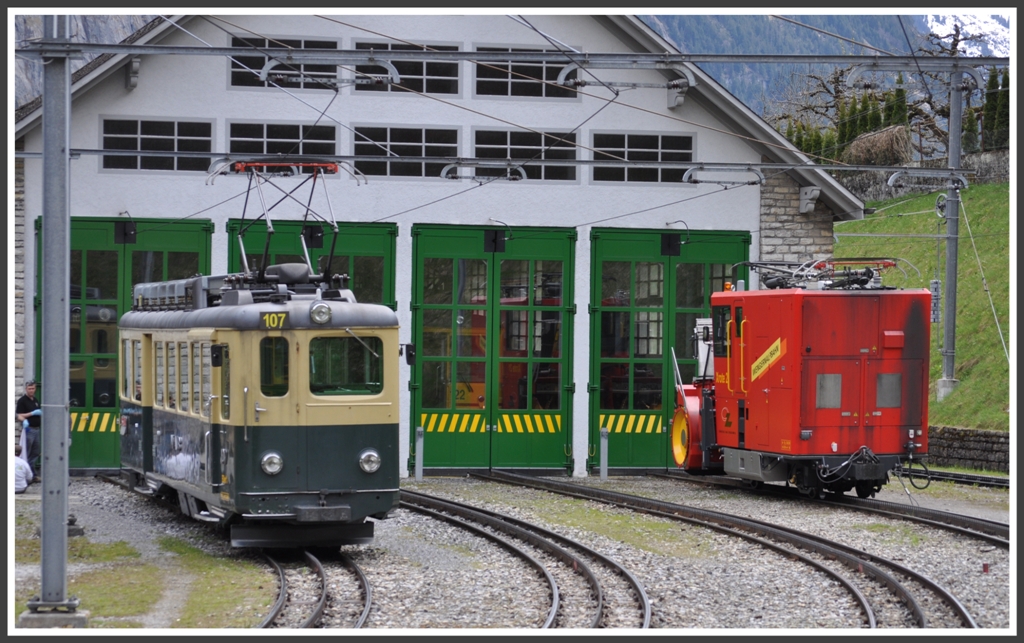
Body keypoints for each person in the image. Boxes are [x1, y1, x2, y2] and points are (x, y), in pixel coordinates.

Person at [15, 380, 41, 481]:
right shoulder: (22, 400)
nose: (31, 390)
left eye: (33, 388)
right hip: (28, 430)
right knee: (26, 452)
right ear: (26, 389)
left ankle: (32, 474)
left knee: (35, 453)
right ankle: (24, 475)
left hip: (37, 430)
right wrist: (32, 414)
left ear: (35, 389)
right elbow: (18, 415)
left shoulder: (35, 400)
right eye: (29, 389)